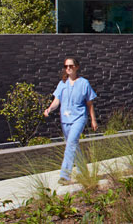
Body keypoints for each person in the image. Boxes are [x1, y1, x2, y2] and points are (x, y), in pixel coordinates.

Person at [43, 56, 98, 184]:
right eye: (66, 66)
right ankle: (83, 173)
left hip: (79, 118)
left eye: (71, 66)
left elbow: (90, 103)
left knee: (71, 143)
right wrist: (49, 109)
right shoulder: (62, 84)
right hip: (65, 120)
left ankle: (65, 175)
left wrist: (93, 120)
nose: (68, 68)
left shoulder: (84, 83)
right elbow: (57, 101)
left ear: (76, 67)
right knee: (74, 146)